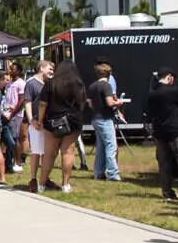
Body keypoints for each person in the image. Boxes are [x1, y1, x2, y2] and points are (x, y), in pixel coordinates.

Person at [36, 62, 90, 193]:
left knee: (49, 153)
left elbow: (43, 104)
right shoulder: (78, 84)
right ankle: (65, 185)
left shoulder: (51, 83)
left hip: (52, 121)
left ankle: (42, 184)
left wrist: (40, 120)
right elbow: (83, 103)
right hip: (72, 121)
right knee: (68, 152)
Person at [146, 68, 178, 201]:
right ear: (169, 77)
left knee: (164, 163)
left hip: (159, 132)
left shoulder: (153, 93)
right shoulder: (172, 91)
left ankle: (167, 192)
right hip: (175, 131)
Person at [87, 61, 123, 180]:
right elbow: (110, 102)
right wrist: (119, 103)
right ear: (109, 74)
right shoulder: (106, 86)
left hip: (95, 118)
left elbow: (90, 103)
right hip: (105, 118)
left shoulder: (92, 86)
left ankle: (98, 172)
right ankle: (113, 173)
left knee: (101, 146)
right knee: (111, 146)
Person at [23, 61, 53, 189]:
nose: (52, 71)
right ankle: (33, 179)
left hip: (48, 122)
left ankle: (45, 178)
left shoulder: (49, 84)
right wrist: (31, 120)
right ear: (41, 68)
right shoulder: (31, 83)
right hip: (36, 122)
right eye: (50, 69)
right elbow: (27, 102)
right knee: (36, 151)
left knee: (47, 152)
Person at [2, 63, 28, 174]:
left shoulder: (21, 84)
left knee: (15, 138)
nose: (10, 70)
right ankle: (8, 161)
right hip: (6, 113)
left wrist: (13, 114)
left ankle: (17, 162)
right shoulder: (9, 83)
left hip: (15, 115)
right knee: (7, 138)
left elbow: (22, 100)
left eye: (12, 69)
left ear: (18, 71)